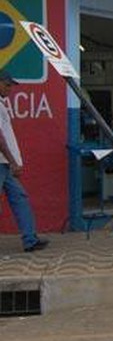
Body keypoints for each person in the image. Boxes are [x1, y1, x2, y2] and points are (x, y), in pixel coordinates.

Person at [0, 70, 48, 252]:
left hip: (5, 164)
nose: (10, 89)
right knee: (19, 199)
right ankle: (30, 239)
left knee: (20, 198)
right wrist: (13, 161)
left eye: (11, 85)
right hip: (3, 163)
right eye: (7, 84)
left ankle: (30, 240)